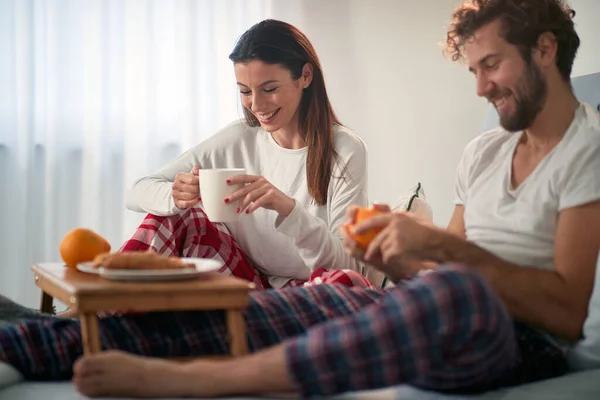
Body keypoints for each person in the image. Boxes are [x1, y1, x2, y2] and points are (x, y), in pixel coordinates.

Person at [0, 0, 598, 398]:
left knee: (444, 290)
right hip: (438, 305)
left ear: (545, 49)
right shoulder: (482, 153)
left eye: (490, 65)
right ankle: (31, 341)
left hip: (522, 339)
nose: (480, 86)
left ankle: (208, 382)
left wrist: (436, 251)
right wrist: (398, 254)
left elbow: (568, 311)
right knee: (277, 309)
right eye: (473, 69)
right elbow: (442, 267)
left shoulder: (586, 150)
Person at [120, 18, 377, 290]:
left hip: (309, 289)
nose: (256, 104)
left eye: (269, 89)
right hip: (244, 281)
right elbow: (137, 192)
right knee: (177, 213)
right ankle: (98, 309)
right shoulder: (239, 138)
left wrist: (287, 209)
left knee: (347, 281)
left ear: (305, 76)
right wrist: (176, 194)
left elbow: (346, 265)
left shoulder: (345, 149)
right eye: (244, 91)